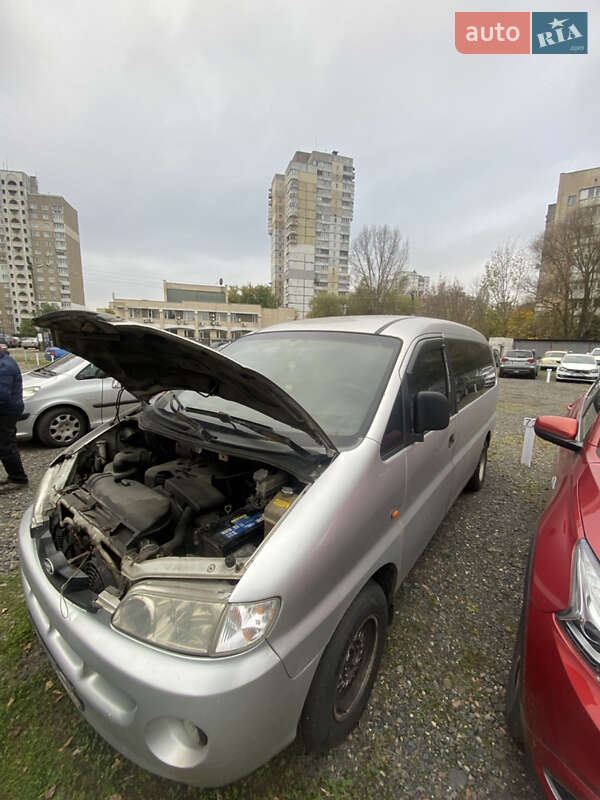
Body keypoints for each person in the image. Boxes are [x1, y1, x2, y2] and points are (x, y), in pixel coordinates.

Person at [0, 346, 28, 486]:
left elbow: (2, 396)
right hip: (6, 409)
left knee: (6, 445)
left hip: (7, 411)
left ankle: (18, 479)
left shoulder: (5, 366)